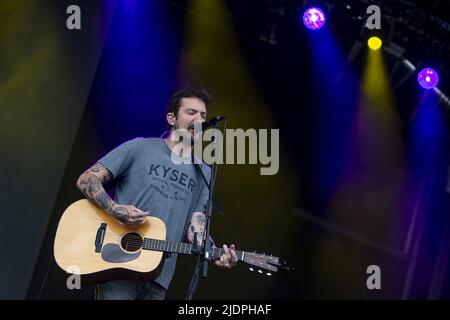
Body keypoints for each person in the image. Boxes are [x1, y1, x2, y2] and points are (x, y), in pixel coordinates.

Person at [76, 87, 238, 300]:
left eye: (203, 115)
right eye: (191, 113)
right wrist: (115, 209)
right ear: (172, 118)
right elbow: (87, 179)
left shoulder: (204, 173)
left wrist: (214, 251)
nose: (199, 119)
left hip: (159, 278)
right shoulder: (140, 148)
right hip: (118, 264)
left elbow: (196, 227)